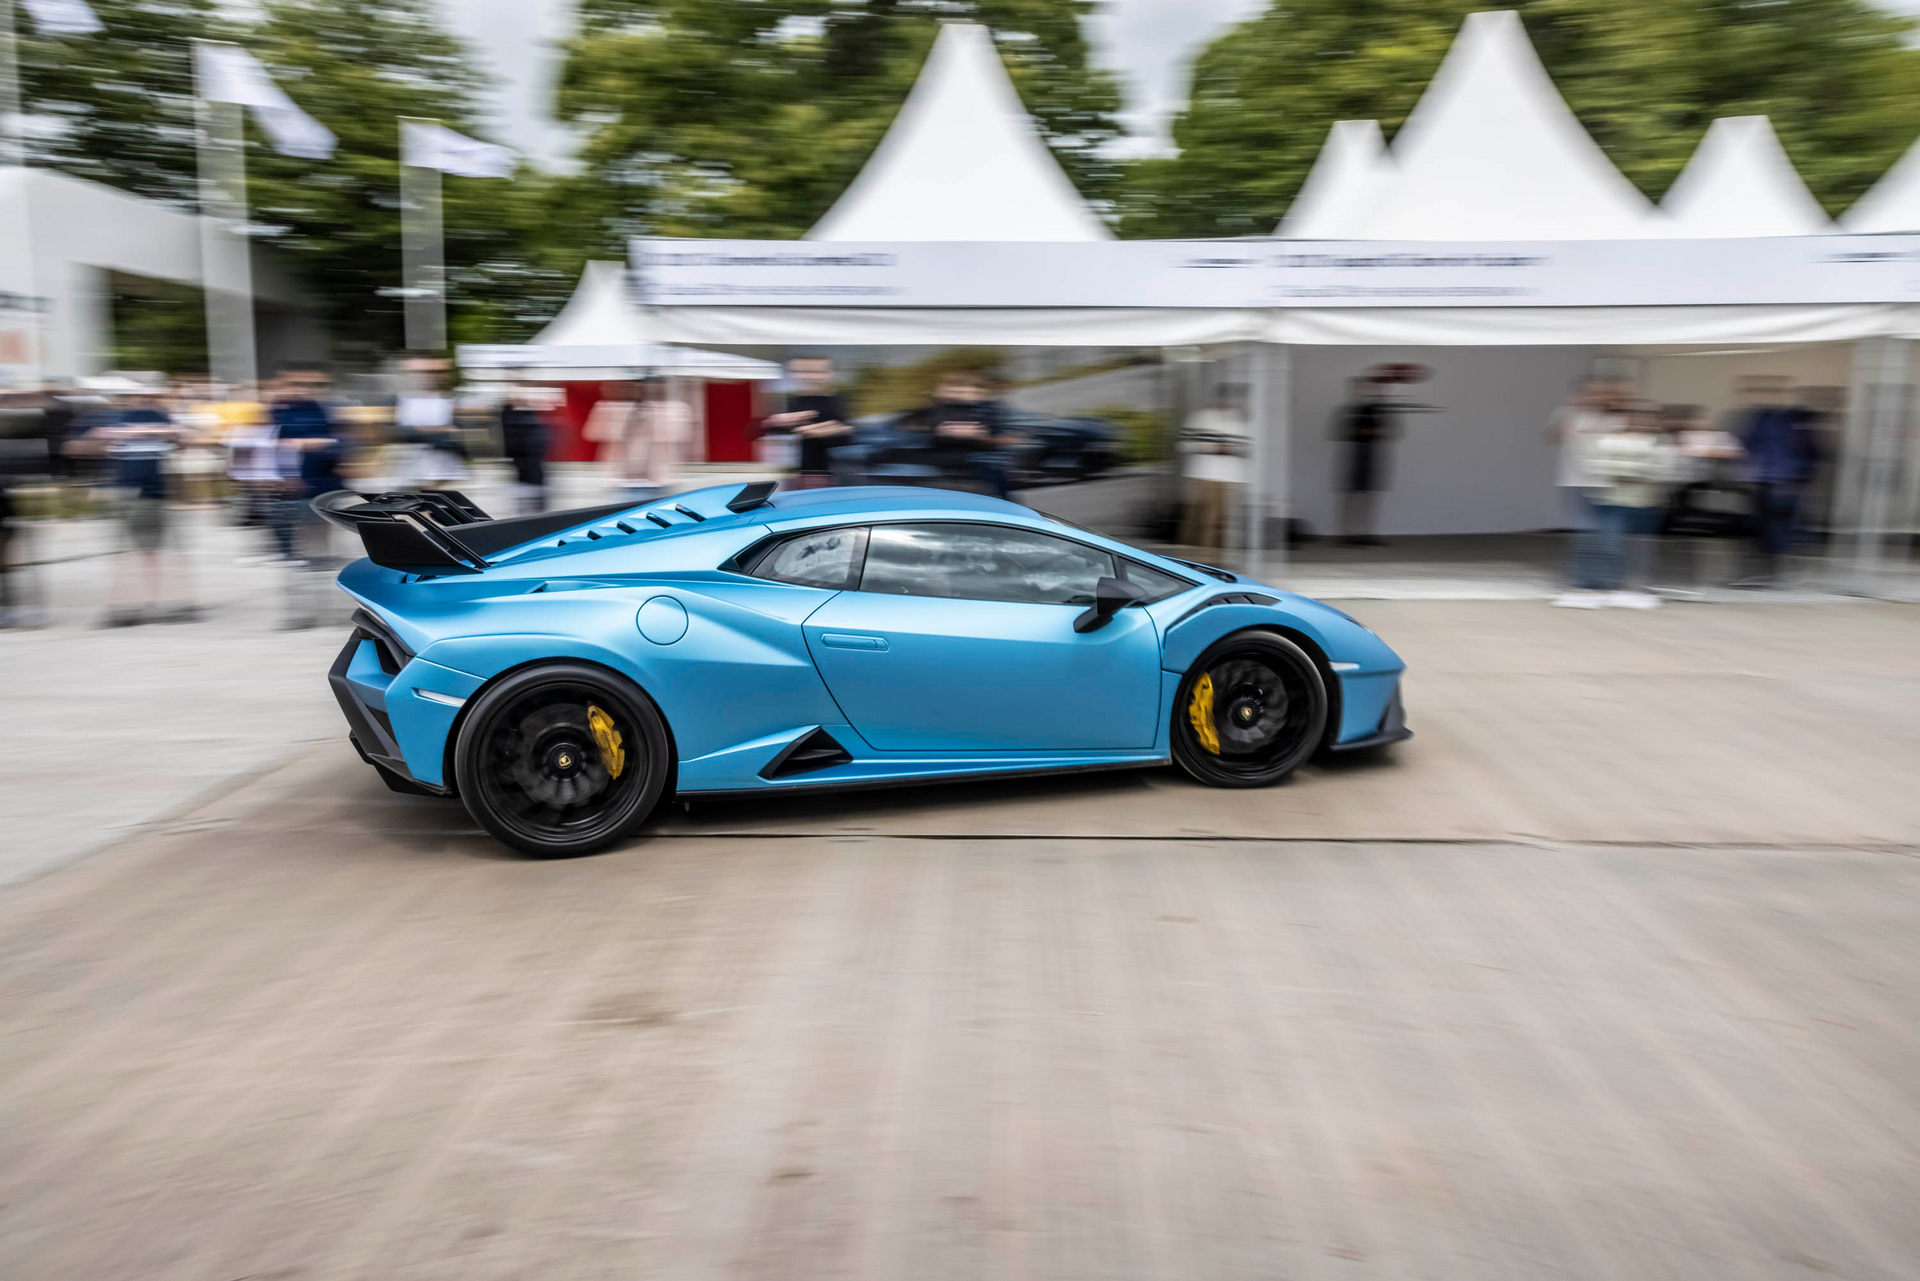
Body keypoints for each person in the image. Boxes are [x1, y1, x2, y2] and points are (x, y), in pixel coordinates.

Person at [75, 389, 201, 625]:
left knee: (149, 552)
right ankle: (131, 607)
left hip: (150, 493)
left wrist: (159, 432)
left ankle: (148, 605)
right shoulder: (120, 419)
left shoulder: (158, 418)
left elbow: (183, 440)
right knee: (135, 553)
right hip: (131, 493)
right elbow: (89, 442)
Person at [1568, 404, 1676, 608]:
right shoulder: (1611, 440)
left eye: (1648, 417)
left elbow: (1662, 469)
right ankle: (1600, 587)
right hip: (1613, 503)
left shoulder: (1660, 443)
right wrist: (1637, 470)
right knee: (1609, 546)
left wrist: (1625, 469)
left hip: (1647, 504)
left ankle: (1630, 588)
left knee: (1641, 549)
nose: (1643, 421)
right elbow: (1597, 465)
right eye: (1638, 416)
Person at [269, 363, 345, 629]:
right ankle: (300, 613)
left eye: (313, 384)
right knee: (295, 556)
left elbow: (340, 447)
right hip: (292, 493)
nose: (305, 389)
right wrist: (313, 444)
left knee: (323, 554)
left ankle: (327, 611)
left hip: (325, 491)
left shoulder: (327, 411)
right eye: (298, 384)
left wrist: (298, 444)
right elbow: (270, 449)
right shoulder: (280, 414)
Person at [1732, 380, 1821, 588]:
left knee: (1774, 526)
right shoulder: (1769, 418)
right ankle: (1776, 570)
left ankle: (1776, 570)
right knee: (1771, 526)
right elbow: (1748, 444)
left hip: (1780, 480)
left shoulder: (1785, 419)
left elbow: (1748, 445)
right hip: (1774, 480)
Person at [1550, 376, 1629, 607]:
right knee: (1586, 535)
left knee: (1610, 536)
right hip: (1578, 483)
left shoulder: (1616, 418)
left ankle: (1607, 583)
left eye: (1602, 393)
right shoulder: (1568, 414)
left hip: (1609, 485)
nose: (1598, 397)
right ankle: (1583, 584)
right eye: (1592, 393)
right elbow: (1554, 436)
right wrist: (1572, 411)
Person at [902, 370, 1014, 498]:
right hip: (945, 472)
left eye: (962, 391)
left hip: (979, 469)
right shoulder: (935, 410)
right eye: (953, 390)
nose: (957, 395)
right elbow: (914, 428)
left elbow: (1001, 438)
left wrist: (981, 437)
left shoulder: (987, 410)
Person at [586, 378, 691, 502]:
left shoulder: (674, 409)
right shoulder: (608, 408)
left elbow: (680, 435)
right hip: (623, 482)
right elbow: (591, 433)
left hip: (658, 481)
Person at [1330, 372, 1400, 545]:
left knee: (1369, 499)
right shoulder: (1346, 411)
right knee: (1351, 499)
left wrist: (1370, 431)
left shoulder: (1378, 411)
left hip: (1372, 460)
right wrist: (1362, 432)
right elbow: (1337, 433)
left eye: (1365, 388)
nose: (1362, 391)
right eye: (1358, 388)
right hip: (1353, 460)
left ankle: (1367, 534)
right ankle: (1345, 534)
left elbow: (1393, 431)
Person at [1179, 382, 1250, 555]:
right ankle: (1193, 558)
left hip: (1231, 477)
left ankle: (1214, 559)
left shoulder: (1240, 422)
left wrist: (1231, 449)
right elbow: (1183, 444)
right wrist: (1209, 447)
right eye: (1224, 397)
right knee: (1200, 520)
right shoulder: (1200, 418)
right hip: (1203, 475)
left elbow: (1248, 447)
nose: (1227, 401)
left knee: (1223, 521)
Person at [761, 355, 851, 488]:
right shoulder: (794, 401)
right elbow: (770, 428)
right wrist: (777, 422)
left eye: (815, 372)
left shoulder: (839, 400)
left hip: (832, 471)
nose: (808, 376)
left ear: (829, 374)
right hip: (800, 471)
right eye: (801, 371)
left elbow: (846, 430)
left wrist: (807, 429)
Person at [393, 354, 465, 489]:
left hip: (441, 465)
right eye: (424, 372)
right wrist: (438, 430)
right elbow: (394, 432)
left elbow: (458, 433)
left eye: (440, 372)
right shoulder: (399, 401)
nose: (432, 376)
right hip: (409, 465)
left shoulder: (452, 401)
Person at [499, 384, 552, 515]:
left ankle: (534, 510)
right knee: (529, 485)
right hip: (524, 457)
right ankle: (533, 510)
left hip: (529, 457)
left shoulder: (525, 416)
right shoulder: (514, 417)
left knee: (531, 485)